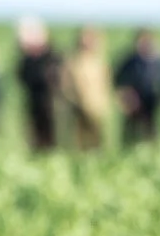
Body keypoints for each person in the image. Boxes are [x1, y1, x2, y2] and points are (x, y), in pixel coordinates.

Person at [113, 28, 160, 146]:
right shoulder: (129, 62)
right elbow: (117, 82)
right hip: (132, 110)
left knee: (152, 138)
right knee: (130, 139)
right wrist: (126, 98)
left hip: (152, 109)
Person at [14, 17, 61, 152]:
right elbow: (21, 78)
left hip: (52, 106)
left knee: (51, 139)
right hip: (34, 105)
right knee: (35, 139)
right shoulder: (27, 60)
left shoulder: (52, 56)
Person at [61, 26, 112, 152]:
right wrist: (74, 101)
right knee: (78, 144)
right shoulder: (73, 62)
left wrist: (102, 105)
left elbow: (105, 86)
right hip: (77, 109)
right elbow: (66, 86)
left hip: (96, 110)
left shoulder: (99, 62)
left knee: (96, 144)